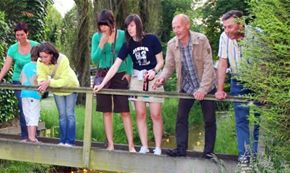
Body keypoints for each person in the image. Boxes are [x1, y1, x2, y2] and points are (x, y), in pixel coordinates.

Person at [94, 14, 164, 155]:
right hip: (138, 81)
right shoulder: (128, 44)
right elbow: (115, 66)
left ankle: (158, 147)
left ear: (138, 24)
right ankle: (144, 146)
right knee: (140, 113)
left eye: (132, 25)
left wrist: (154, 71)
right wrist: (102, 84)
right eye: (127, 27)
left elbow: (161, 61)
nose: (130, 29)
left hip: (153, 78)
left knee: (156, 114)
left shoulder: (152, 39)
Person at [154, 14, 216, 158]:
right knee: (181, 118)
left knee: (209, 120)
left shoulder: (201, 40)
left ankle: (208, 153)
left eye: (179, 27)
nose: (176, 30)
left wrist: (202, 89)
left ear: (187, 25)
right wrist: (161, 78)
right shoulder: (171, 44)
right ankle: (181, 149)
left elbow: (208, 66)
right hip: (187, 86)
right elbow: (169, 67)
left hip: (206, 85)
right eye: (174, 27)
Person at [215, 10, 260, 163]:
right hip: (238, 81)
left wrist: (265, 91)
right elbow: (222, 63)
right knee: (241, 120)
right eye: (225, 27)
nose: (226, 31)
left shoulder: (257, 35)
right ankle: (245, 158)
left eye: (230, 27)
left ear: (240, 24)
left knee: (259, 120)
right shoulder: (224, 37)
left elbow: (266, 65)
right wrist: (220, 89)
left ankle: (258, 157)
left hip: (258, 81)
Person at [91, 9, 135, 152]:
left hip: (120, 74)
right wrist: (101, 44)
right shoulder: (96, 37)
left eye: (106, 25)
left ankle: (131, 145)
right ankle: (110, 144)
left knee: (124, 111)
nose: (103, 28)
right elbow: (94, 59)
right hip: (103, 74)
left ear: (112, 23)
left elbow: (129, 55)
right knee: (106, 111)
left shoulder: (122, 35)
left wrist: (129, 72)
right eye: (101, 25)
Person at [0, 23, 40, 141]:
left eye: (22, 34)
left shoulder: (36, 46)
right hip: (18, 80)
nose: (19, 37)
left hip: (33, 82)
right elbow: (7, 65)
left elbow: (43, 61)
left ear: (27, 34)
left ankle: (33, 135)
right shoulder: (13, 48)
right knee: (23, 107)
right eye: (17, 35)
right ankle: (25, 136)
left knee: (33, 107)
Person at [37, 42, 80, 146]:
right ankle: (62, 141)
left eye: (45, 57)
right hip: (57, 89)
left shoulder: (63, 59)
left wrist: (49, 83)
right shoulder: (40, 61)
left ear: (51, 54)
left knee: (69, 114)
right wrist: (42, 83)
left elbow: (65, 80)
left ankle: (70, 141)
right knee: (62, 115)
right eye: (41, 57)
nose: (43, 59)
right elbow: (41, 76)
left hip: (70, 86)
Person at [20, 46, 41, 143]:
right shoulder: (39, 67)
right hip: (34, 94)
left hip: (24, 93)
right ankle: (32, 137)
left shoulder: (26, 66)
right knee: (34, 115)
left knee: (27, 115)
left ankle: (29, 136)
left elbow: (21, 79)